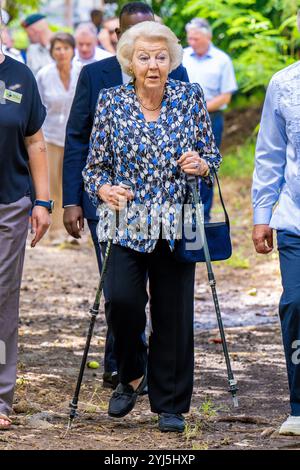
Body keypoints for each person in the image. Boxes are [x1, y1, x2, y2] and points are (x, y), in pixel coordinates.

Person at [82, 20, 221, 432]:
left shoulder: (189, 97)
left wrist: (202, 165)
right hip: (126, 222)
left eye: (161, 57)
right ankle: (131, 373)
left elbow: (211, 155)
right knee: (122, 302)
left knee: (173, 313)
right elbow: (94, 169)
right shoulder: (111, 102)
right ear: (130, 62)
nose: (153, 65)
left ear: (172, 61)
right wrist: (104, 189)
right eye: (144, 57)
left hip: (178, 220)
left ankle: (171, 404)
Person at [63, 1, 190, 391]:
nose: (147, 49)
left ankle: (160, 386)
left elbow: (196, 139)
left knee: (167, 302)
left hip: (170, 213)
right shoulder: (95, 76)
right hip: (115, 209)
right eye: (134, 34)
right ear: (119, 38)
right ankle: (126, 365)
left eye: (151, 33)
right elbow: (78, 138)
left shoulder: (177, 73)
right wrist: (73, 199)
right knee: (121, 296)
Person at [0, 38, 51, 430]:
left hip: (9, 204)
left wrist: (43, 202)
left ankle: (0, 396)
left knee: (2, 298)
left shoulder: (20, 76)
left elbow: (35, 141)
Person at [252, 56, 300, 434]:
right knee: (296, 304)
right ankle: (299, 406)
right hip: (295, 219)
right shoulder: (284, 83)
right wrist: (261, 214)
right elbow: (269, 153)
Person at [183, 18, 237, 221]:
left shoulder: (222, 60)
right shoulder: (182, 57)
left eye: (196, 38)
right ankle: (186, 213)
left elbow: (225, 96)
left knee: (206, 165)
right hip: (183, 121)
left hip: (211, 119)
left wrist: (200, 109)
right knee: (185, 164)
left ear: (208, 37)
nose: (192, 42)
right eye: (190, 38)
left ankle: (203, 215)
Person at [36, 33, 79, 240]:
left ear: (73, 50)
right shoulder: (44, 74)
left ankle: (74, 230)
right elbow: (37, 106)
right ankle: (54, 231)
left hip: (75, 137)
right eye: (57, 48)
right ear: (52, 51)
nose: (62, 52)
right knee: (51, 183)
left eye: (66, 48)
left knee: (71, 183)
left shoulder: (82, 72)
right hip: (50, 135)